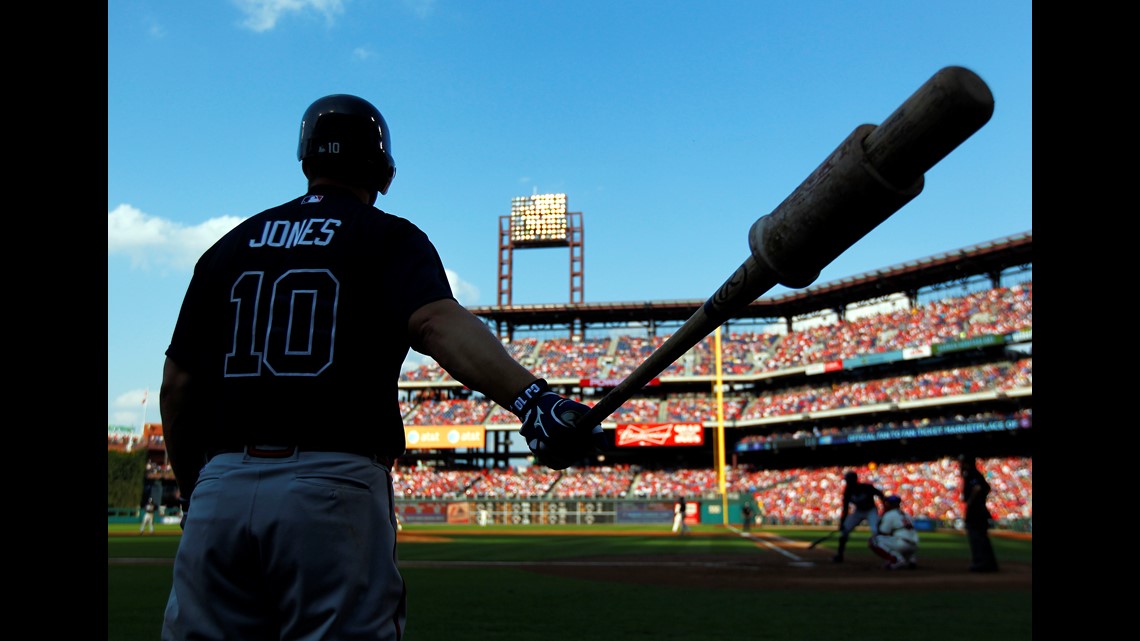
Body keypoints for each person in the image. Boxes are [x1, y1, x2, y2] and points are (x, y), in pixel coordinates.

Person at [158, 93, 604, 641]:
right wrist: (532, 400)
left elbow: (177, 386)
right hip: (330, 485)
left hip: (219, 490)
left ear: (307, 160)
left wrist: (191, 490)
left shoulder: (226, 248)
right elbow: (438, 324)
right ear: (382, 169)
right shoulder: (388, 236)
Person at [832, 470, 886, 563]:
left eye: (848, 480)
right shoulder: (847, 491)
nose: (847, 482)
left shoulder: (866, 487)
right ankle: (839, 555)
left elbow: (880, 494)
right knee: (844, 532)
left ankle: (887, 554)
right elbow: (845, 508)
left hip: (870, 510)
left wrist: (884, 508)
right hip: (858, 511)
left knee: (876, 531)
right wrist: (842, 523)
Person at [960, 455, 999, 572]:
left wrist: (972, 501)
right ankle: (989, 563)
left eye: (962, 463)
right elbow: (985, 487)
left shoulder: (972, 474)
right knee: (982, 537)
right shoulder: (975, 474)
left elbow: (978, 488)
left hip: (976, 513)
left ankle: (981, 563)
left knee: (977, 537)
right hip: (980, 511)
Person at [867, 495, 919, 570]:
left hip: (902, 544)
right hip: (914, 545)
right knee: (898, 538)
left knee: (874, 540)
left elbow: (883, 532)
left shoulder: (890, 514)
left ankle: (896, 560)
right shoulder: (906, 515)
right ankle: (910, 559)